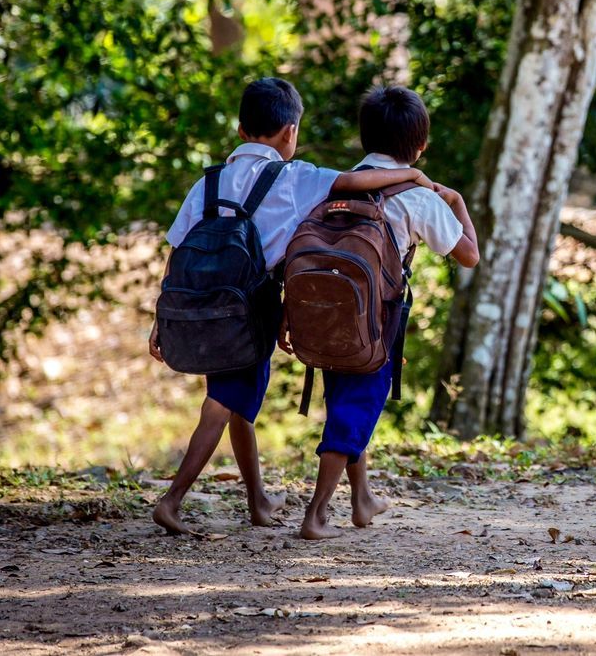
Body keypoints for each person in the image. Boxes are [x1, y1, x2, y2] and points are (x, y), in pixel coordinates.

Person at [148, 78, 432, 536]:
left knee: (240, 403)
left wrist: (162, 317)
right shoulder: (294, 176)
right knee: (222, 402)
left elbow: (176, 251)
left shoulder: (210, 180)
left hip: (202, 305)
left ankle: (258, 500)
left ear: (241, 130)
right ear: (290, 133)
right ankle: (172, 499)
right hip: (251, 307)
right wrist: (412, 176)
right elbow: (357, 180)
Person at [285, 85, 479, 540]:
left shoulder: (334, 185)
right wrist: (458, 204)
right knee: (354, 411)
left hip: (323, 316)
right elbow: (469, 255)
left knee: (347, 405)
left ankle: (362, 499)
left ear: (364, 138)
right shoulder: (419, 196)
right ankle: (315, 515)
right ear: (420, 145)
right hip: (378, 320)